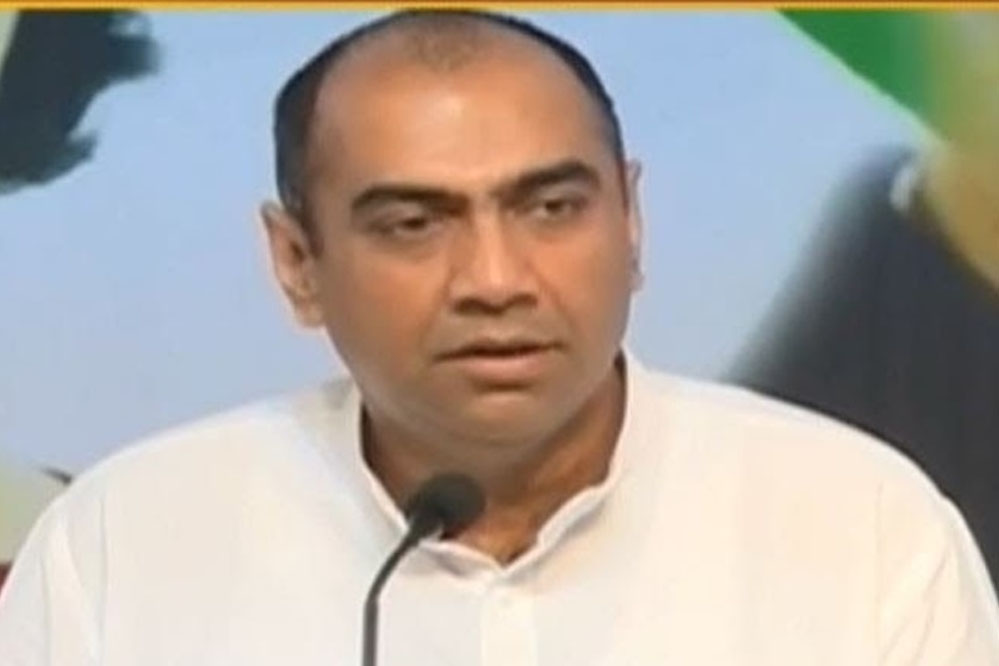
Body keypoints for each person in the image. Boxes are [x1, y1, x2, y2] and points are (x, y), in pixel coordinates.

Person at [0, 9, 997, 664]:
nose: (494, 280)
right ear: (297, 262)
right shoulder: (125, 543)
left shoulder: (862, 526)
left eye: (552, 209)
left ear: (631, 223)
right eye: (412, 224)